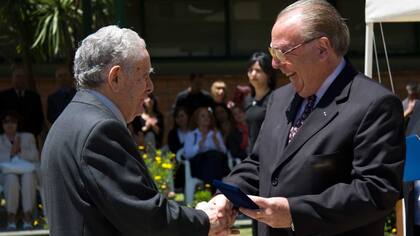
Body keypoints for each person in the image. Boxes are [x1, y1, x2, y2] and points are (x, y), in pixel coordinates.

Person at [210, 1, 405, 235]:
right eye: (272, 51)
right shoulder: (279, 99)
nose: (274, 63)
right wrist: (226, 197)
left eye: (282, 52)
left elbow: (375, 191)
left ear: (322, 48)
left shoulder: (374, 104)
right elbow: (260, 164)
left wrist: (294, 213)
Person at [41, 25, 235, 236]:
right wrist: (205, 221)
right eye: (144, 76)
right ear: (115, 78)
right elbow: (145, 217)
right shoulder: (100, 130)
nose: (150, 87)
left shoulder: (70, 119)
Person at [0, 111, 38, 230]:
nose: (10, 124)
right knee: (11, 178)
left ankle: (27, 215)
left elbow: (35, 156)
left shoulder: (28, 136)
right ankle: (11, 216)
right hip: (6, 173)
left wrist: (20, 149)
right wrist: (12, 152)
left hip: (26, 170)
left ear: (17, 123)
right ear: (2, 124)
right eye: (6, 121)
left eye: (13, 121)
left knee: (29, 177)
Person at [183, 107, 229, 186]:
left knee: (214, 156)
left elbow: (224, 151)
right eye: (203, 116)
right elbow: (187, 155)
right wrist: (201, 142)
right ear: (197, 120)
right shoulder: (192, 135)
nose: (206, 118)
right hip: (199, 166)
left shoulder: (215, 133)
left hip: (217, 163)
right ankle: (216, 187)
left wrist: (216, 140)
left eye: (208, 116)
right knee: (211, 157)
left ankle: (211, 186)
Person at [244, 52, 276, 152]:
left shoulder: (276, 98)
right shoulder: (247, 100)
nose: (253, 74)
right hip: (251, 155)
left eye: (258, 70)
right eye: (250, 70)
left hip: (268, 155)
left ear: (268, 74)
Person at [0, 66, 44, 138]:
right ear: (12, 78)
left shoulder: (34, 97)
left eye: (23, 77)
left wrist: (34, 133)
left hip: (30, 136)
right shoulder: (3, 96)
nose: (20, 79)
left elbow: (39, 117)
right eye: (17, 76)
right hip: (7, 137)